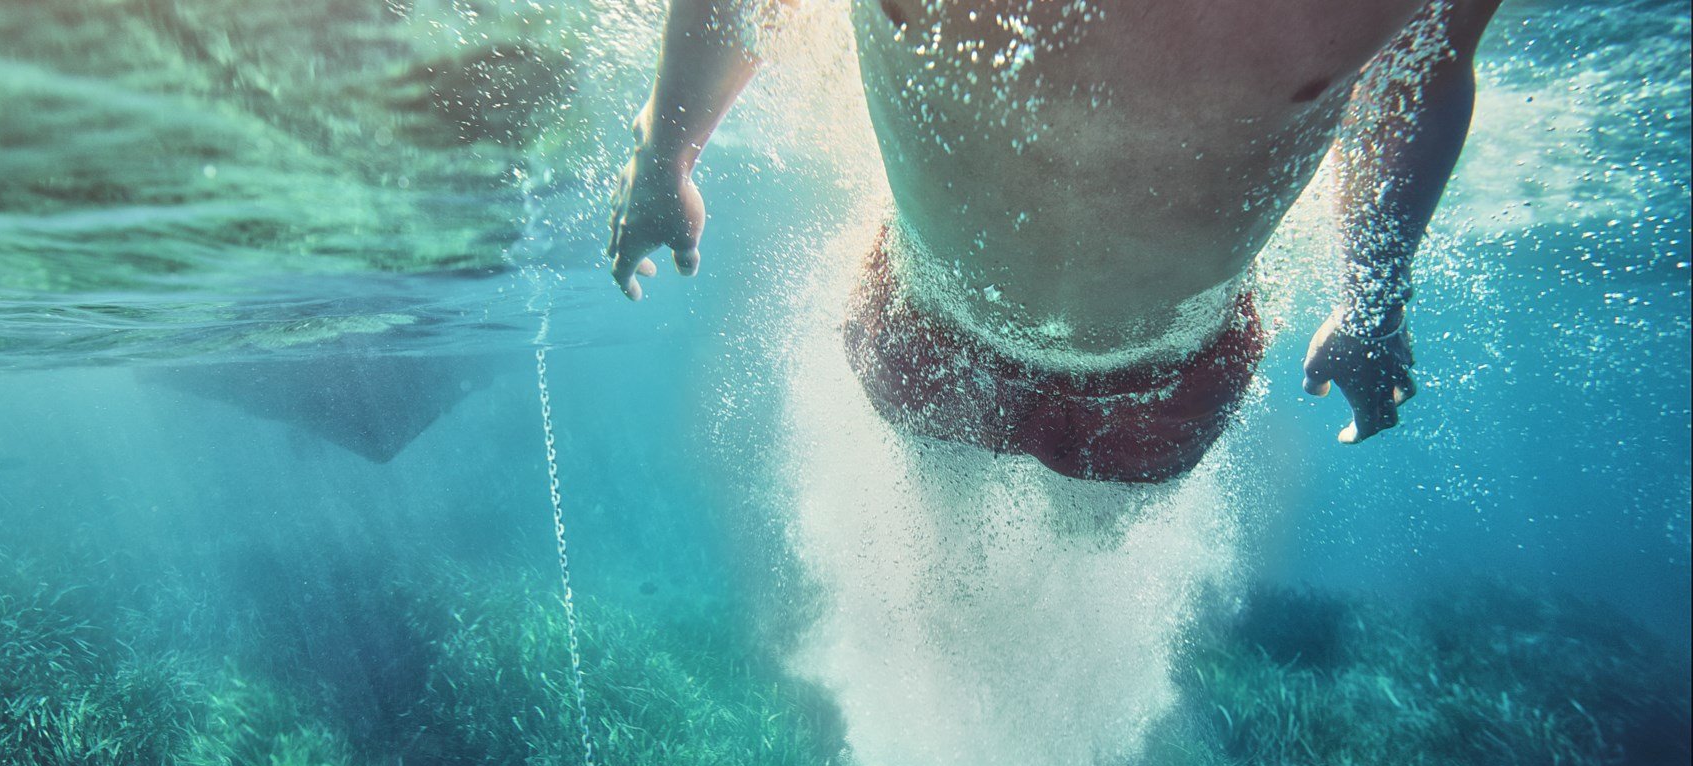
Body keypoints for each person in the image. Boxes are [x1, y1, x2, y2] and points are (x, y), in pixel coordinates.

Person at [604, 0, 1502, 482]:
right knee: (936, 604)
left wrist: (1375, 299)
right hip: (924, 322)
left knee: (1066, 633)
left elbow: (1423, 70)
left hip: (1173, 373)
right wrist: (664, 156)